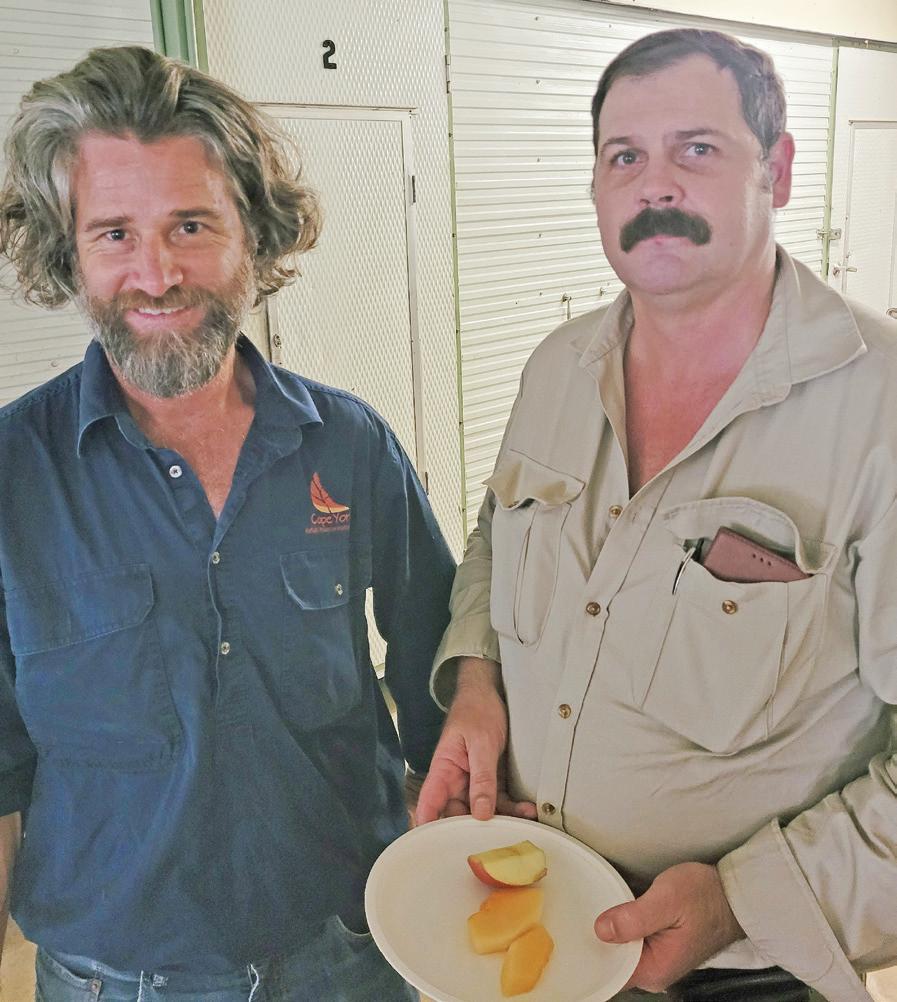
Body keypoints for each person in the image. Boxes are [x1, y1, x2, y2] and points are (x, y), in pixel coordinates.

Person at [417, 27, 897, 1002]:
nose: (655, 186)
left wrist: (742, 900)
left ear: (778, 171)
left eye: (697, 149)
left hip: (741, 967)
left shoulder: (878, 412)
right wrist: (476, 681)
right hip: (531, 911)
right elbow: (497, 534)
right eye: (624, 157)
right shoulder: (558, 366)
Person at [0, 46, 454, 1002]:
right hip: (109, 980)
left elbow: (438, 676)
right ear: (68, 254)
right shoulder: (13, 475)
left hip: (351, 956)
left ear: (255, 233)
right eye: (114, 233)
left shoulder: (350, 444)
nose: (157, 273)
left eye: (191, 225)